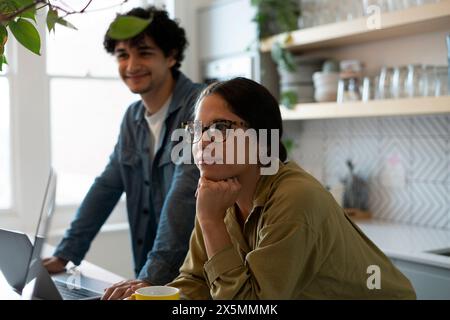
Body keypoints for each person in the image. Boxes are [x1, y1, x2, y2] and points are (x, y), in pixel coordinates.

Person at [165, 77, 416, 299]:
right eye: (197, 129)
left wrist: (210, 221)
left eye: (221, 128)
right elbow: (196, 280)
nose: (204, 140)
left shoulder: (295, 197)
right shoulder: (218, 195)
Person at [43, 6, 203, 300]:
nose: (131, 65)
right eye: (122, 55)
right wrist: (65, 254)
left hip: (198, 279)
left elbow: (184, 196)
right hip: (151, 275)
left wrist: (148, 278)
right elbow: (106, 186)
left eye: (144, 53)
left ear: (170, 56)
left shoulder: (200, 108)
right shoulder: (134, 118)